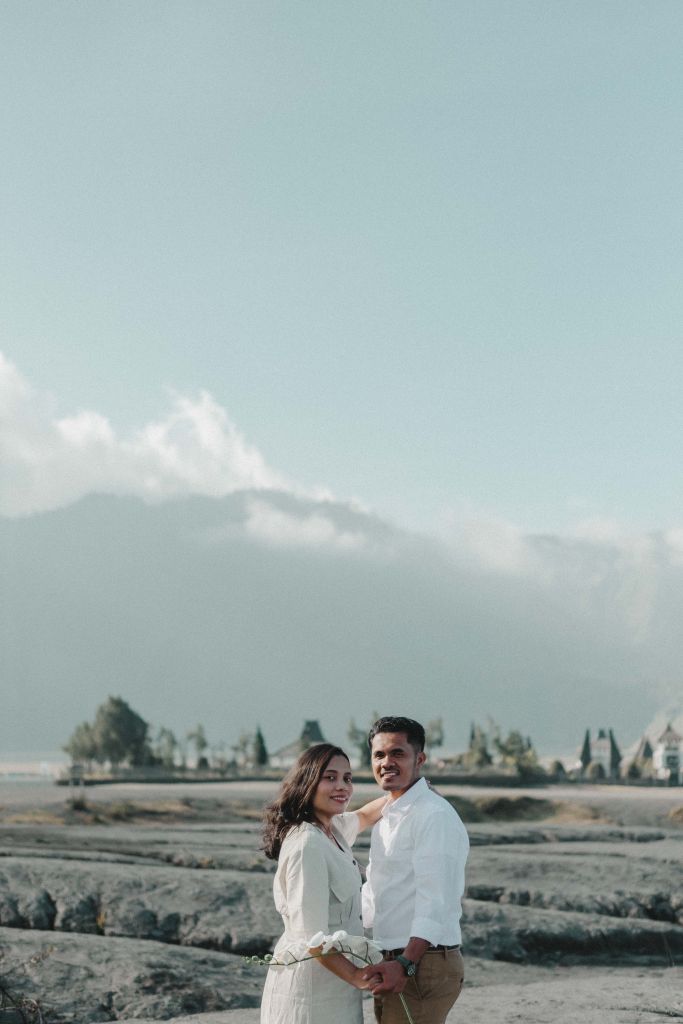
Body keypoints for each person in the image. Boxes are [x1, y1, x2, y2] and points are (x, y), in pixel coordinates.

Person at [260, 742, 387, 1024]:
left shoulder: (332, 830)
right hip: (310, 992)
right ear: (307, 781)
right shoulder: (308, 844)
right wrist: (357, 976)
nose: (342, 786)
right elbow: (311, 937)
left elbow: (365, 815)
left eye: (347, 778)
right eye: (330, 777)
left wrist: (411, 792)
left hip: (337, 985)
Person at [360, 716, 469, 1024]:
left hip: (420, 962)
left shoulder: (432, 815)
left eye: (398, 753)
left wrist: (406, 963)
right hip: (392, 959)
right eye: (379, 755)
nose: (386, 762)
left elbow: (434, 901)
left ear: (419, 759)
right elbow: (376, 897)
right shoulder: (388, 817)